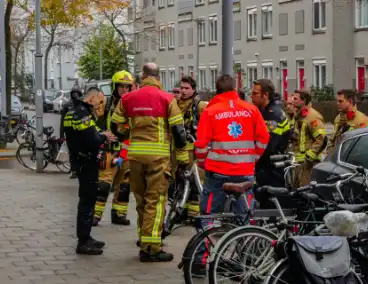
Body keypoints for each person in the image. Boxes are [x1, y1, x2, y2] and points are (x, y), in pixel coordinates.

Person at [193, 75, 270, 274]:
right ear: (235, 90)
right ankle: (247, 260)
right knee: (245, 216)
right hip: (244, 173)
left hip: (218, 173)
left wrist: (203, 163)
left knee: (208, 214)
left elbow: (201, 145)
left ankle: (200, 259)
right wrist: (252, 157)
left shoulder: (210, 111)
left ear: (216, 91)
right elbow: (263, 137)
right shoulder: (251, 109)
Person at [110, 63, 186, 262]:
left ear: (142, 76)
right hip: (158, 159)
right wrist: (181, 155)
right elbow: (179, 132)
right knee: (157, 201)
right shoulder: (167, 99)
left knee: (141, 200)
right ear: (158, 77)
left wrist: (126, 134)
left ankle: (144, 240)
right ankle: (151, 247)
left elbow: (114, 124)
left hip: (134, 158)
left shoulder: (127, 98)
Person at [63, 88, 117, 255]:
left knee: (87, 199)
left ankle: (86, 237)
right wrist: (104, 136)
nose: (100, 105)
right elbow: (92, 140)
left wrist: (99, 133)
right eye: (99, 101)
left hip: (80, 160)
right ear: (92, 98)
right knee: (87, 200)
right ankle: (83, 241)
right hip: (86, 162)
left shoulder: (74, 112)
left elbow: (85, 135)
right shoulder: (82, 114)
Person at [92, 70, 134, 226]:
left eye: (128, 87)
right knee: (103, 185)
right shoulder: (105, 104)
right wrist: (102, 133)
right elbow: (91, 123)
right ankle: (95, 215)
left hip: (127, 151)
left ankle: (119, 214)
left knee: (124, 186)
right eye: (121, 86)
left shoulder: (133, 105)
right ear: (114, 87)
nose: (124, 90)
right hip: (109, 150)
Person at [172, 76, 208, 219]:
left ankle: (194, 214)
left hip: (193, 150)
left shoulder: (199, 105)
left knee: (194, 181)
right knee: (180, 180)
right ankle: (183, 211)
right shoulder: (174, 104)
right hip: (178, 150)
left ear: (193, 89)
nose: (183, 91)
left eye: (187, 88)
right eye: (181, 88)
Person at [251, 79, 290, 205]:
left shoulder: (272, 115)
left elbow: (268, 145)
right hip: (265, 167)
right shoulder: (264, 112)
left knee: (272, 205)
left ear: (265, 95)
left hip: (272, 168)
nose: (251, 97)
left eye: (255, 94)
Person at [292, 90, 328, 187]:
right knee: (297, 191)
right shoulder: (299, 115)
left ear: (303, 101)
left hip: (309, 164)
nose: (292, 100)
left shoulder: (313, 116)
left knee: (306, 190)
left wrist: (309, 157)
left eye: (295, 98)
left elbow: (322, 139)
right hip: (299, 163)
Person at [60, 86, 84, 179]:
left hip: (81, 133)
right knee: (73, 153)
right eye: (73, 93)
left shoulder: (83, 104)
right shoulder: (67, 105)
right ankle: (74, 170)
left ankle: (79, 170)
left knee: (80, 153)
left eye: (76, 93)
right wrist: (61, 135)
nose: (75, 95)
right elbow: (62, 121)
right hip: (71, 134)